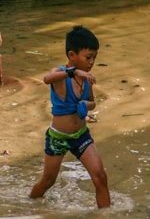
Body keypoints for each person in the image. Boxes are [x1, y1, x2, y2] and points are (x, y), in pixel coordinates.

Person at [30, 26, 111, 208]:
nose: (91, 62)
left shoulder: (86, 79)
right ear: (72, 55)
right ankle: (30, 204)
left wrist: (86, 106)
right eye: (88, 57)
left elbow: (92, 102)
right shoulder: (60, 74)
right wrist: (73, 72)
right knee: (48, 180)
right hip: (58, 137)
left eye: (94, 58)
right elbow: (46, 78)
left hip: (80, 136)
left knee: (100, 177)